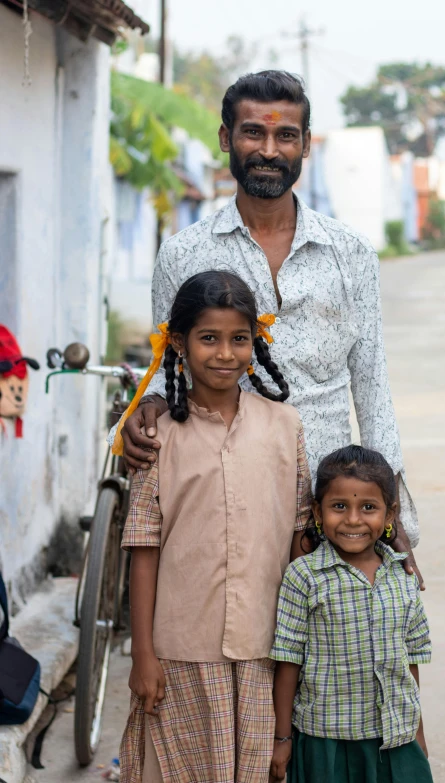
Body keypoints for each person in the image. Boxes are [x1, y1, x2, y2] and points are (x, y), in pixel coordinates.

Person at [116, 69, 424, 585]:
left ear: (305, 146)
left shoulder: (350, 254)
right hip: (221, 493)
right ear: (225, 139)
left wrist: (394, 514)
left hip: (333, 501)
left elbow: (372, 384)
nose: (269, 149)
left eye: (286, 135)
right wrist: (139, 413)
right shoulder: (184, 253)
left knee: (329, 653)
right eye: (253, 132)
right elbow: (165, 366)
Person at [119, 270, 312, 783]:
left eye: (238, 339)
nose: (225, 353)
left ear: (256, 342)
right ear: (179, 343)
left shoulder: (284, 426)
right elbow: (143, 546)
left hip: (264, 647)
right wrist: (143, 654)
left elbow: (299, 541)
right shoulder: (156, 435)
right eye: (209, 338)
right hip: (179, 648)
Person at [269, 445, 433, 783]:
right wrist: (282, 738)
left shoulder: (402, 578)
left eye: (368, 507)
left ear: (390, 515)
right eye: (339, 506)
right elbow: (287, 662)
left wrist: (417, 733)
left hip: (395, 738)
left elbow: (410, 662)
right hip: (327, 741)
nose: (353, 519)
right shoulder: (304, 577)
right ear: (317, 512)